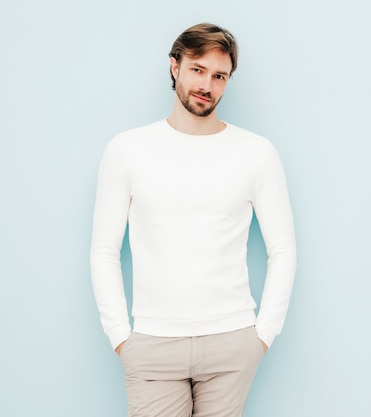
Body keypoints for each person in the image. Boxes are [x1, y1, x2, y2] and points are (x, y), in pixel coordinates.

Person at [90, 23, 297, 417]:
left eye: (219, 76)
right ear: (175, 67)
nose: (207, 84)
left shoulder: (256, 153)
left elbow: (283, 251)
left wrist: (263, 335)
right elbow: (104, 250)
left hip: (231, 342)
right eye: (197, 69)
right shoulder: (127, 150)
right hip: (153, 345)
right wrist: (120, 336)